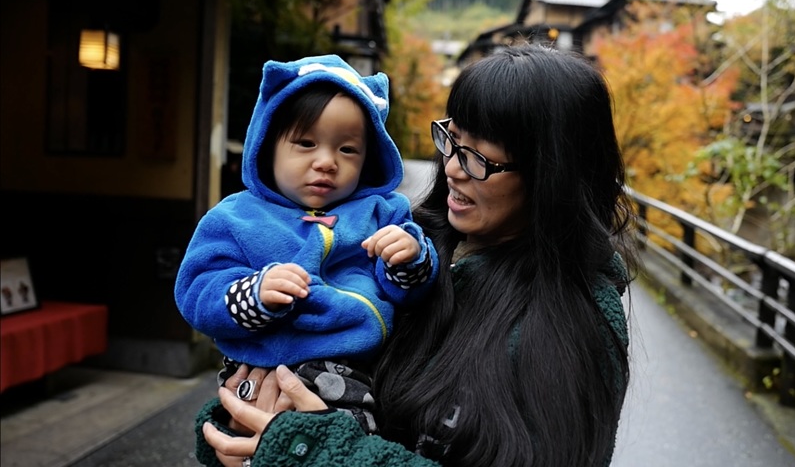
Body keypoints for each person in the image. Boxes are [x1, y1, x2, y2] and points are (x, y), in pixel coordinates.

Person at [196, 43, 639, 467]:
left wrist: (307, 449)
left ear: (551, 176)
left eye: (478, 159)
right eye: (452, 140)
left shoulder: (573, 319)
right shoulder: (415, 241)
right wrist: (241, 422)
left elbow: (312, 442)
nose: (450, 168)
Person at [175, 54, 438, 433]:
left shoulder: (382, 211)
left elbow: (411, 296)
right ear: (267, 146)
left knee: (344, 442)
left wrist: (409, 258)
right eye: (306, 143)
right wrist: (255, 293)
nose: (327, 162)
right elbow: (196, 291)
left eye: (347, 149)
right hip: (259, 365)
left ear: (369, 158)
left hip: (354, 366)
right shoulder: (236, 217)